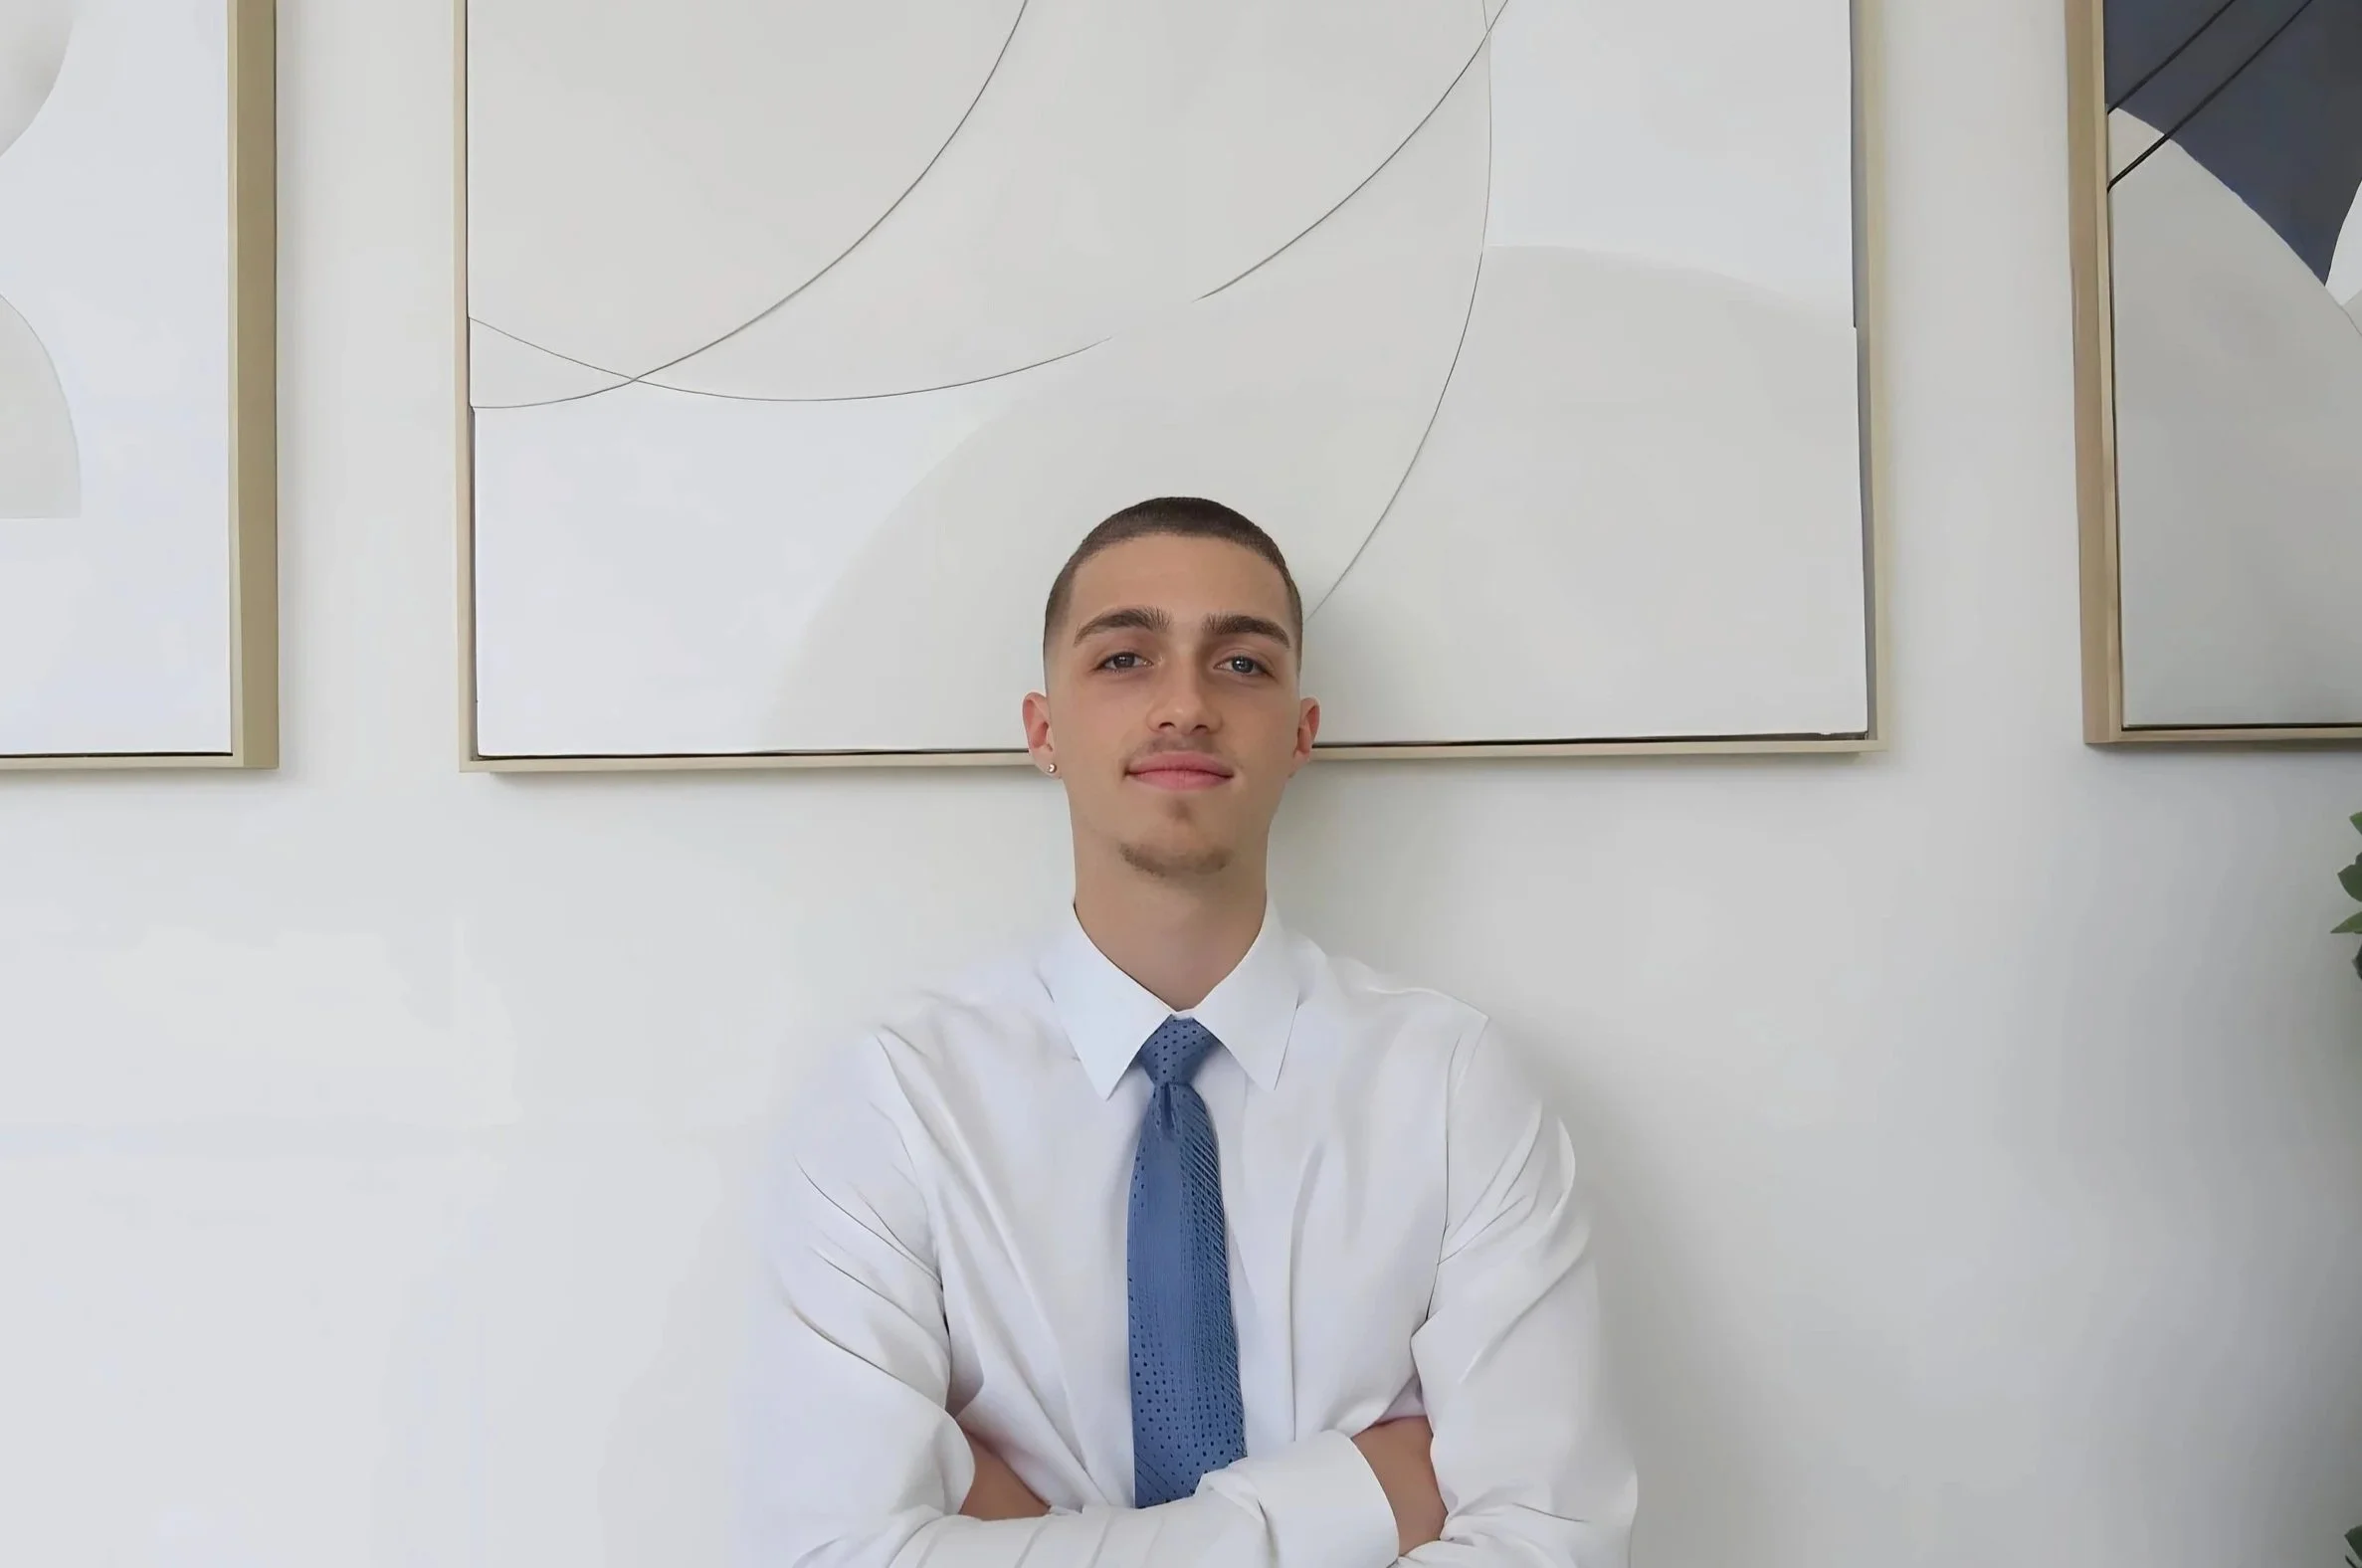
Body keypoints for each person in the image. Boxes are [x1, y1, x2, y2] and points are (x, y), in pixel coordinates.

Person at [747, 497, 1638, 1566]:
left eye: (1242, 665)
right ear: (1042, 729)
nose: (1183, 704)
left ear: (1301, 732)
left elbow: (1552, 1541)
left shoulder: (1452, 1086)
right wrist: (1345, 1499)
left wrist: (1031, 1536)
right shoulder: (896, 1101)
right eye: (1125, 658)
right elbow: (838, 1554)